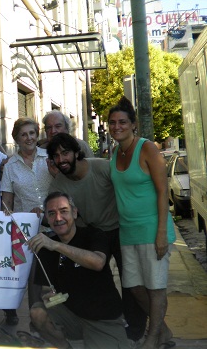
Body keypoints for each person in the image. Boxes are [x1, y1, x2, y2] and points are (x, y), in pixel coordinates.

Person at [46, 132, 147, 341]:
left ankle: (135, 332)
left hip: (121, 230)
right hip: (92, 234)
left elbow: (129, 189)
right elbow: (53, 213)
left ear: (76, 152)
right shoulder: (58, 184)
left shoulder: (102, 167)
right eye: (56, 156)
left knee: (132, 283)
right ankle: (104, 322)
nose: (61, 160)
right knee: (96, 280)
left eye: (65, 153)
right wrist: (39, 215)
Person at [108, 97, 176, 349]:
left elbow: (162, 191)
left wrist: (161, 233)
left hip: (151, 229)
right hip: (128, 232)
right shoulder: (115, 152)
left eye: (122, 122)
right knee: (134, 287)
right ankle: (163, 330)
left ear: (133, 124)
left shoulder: (147, 148)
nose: (117, 126)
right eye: (112, 122)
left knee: (156, 288)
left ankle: (152, 336)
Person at [28, 192, 130, 349]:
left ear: (74, 212)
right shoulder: (46, 248)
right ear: (47, 219)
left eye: (63, 211)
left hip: (103, 319)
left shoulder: (93, 235)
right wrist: (51, 298)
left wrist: (56, 246)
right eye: (52, 213)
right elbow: (46, 292)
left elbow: (98, 262)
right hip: (71, 315)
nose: (58, 218)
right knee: (37, 313)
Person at [0, 117, 53, 324]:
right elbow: (7, 202)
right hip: (28, 232)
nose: (29, 138)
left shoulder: (48, 157)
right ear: (16, 139)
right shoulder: (11, 166)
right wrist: (10, 216)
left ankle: (62, 319)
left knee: (58, 274)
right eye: (24, 134)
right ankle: (36, 321)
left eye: (32, 133)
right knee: (34, 280)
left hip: (55, 226)